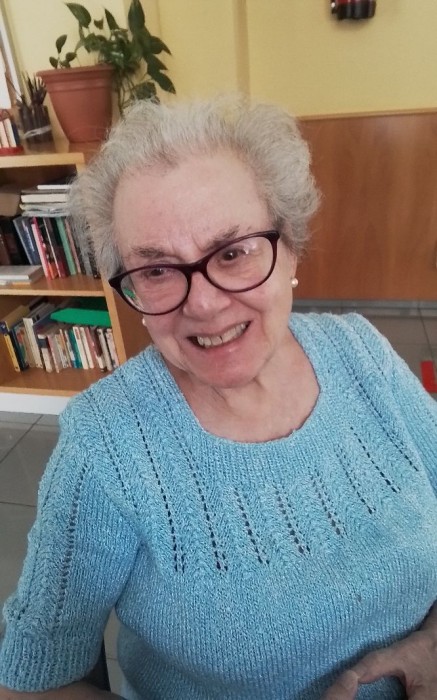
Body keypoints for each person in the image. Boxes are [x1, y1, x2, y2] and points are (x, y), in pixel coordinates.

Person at [0, 95, 436, 700]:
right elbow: (31, 683)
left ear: (290, 249)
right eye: (157, 270)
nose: (203, 304)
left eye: (232, 253)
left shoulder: (360, 352)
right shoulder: (104, 447)